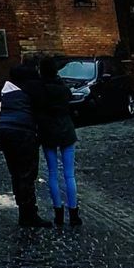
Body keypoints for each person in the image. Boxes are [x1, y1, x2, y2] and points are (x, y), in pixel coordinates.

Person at [0, 60, 50, 228]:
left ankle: (23, 211)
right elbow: (43, 109)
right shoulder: (33, 88)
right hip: (23, 132)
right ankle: (29, 214)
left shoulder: (9, 91)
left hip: (4, 130)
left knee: (16, 173)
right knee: (27, 174)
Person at [37, 56, 81, 228]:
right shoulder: (62, 88)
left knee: (53, 174)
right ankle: (74, 213)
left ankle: (58, 214)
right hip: (66, 131)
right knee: (69, 175)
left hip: (48, 132)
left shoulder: (40, 89)